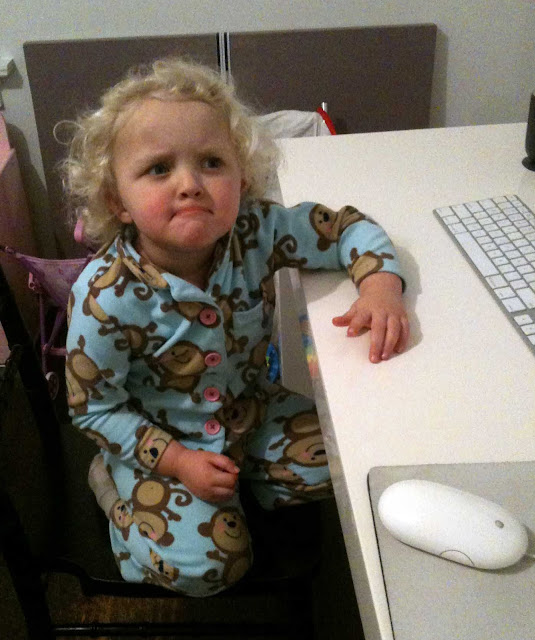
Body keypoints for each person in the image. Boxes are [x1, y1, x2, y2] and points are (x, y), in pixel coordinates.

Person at [63, 57, 409, 596]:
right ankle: (113, 494)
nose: (190, 184)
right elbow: (93, 408)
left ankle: (254, 484)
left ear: (241, 178)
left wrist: (381, 285)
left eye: (211, 162)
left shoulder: (256, 230)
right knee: (212, 568)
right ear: (117, 201)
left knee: (361, 461)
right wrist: (178, 462)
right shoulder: (104, 298)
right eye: (159, 169)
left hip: (253, 413)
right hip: (162, 444)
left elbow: (344, 227)